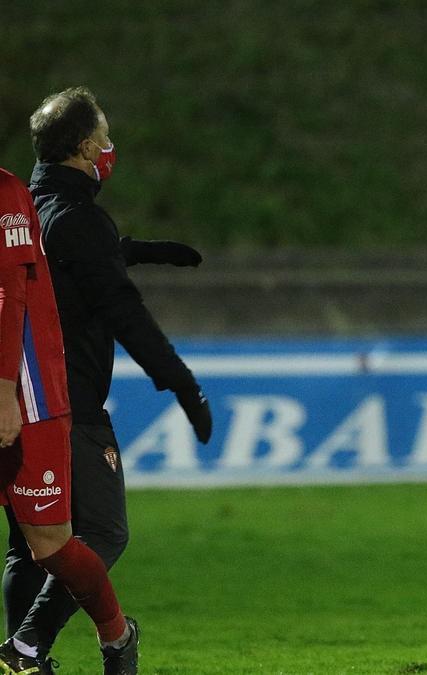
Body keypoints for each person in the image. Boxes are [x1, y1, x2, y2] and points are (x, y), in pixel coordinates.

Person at [1, 87, 212, 674]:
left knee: (27, 544)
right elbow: (124, 313)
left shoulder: (26, 209)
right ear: (87, 147)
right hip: (68, 401)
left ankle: (25, 659)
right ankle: (30, 646)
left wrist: (134, 250)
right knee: (103, 532)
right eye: (105, 136)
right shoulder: (81, 218)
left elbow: (62, 260)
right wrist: (180, 381)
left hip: (13, 400)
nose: (110, 147)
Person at [0, 160, 144, 675]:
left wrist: (4, 391)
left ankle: (108, 637)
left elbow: (11, 294)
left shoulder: (9, 195)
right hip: (48, 397)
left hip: (31, 396)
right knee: (42, 543)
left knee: (46, 543)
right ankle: (26, 651)